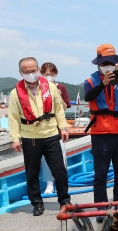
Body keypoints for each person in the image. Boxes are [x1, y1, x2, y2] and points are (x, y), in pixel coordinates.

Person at [8, 57, 71, 216]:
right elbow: (14, 117)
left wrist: (63, 128)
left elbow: (58, 109)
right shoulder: (16, 93)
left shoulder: (50, 87)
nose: (31, 73)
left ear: (38, 69)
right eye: (27, 71)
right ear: (21, 72)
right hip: (30, 137)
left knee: (59, 170)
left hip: (50, 134)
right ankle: (37, 203)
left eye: (33, 70)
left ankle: (64, 200)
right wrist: (15, 138)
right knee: (32, 172)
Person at [84, 44, 118, 222]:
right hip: (101, 133)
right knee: (100, 173)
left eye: (111, 62)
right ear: (99, 64)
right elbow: (89, 96)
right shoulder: (91, 81)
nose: (109, 65)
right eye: (105, 62)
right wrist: (103, 84)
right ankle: (100, 208)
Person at [40, 62, 71, 194]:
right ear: (41, 74)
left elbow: (64, 108)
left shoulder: (61, 88)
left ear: (56, 74)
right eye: (46, 74)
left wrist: (58, 96)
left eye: (52, 73)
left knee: (61, 158)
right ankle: (49, 183)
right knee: (45, 159)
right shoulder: (38, 88)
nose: (49, 76)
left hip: (59, 128)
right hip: (43, 129)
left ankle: (61, 184)